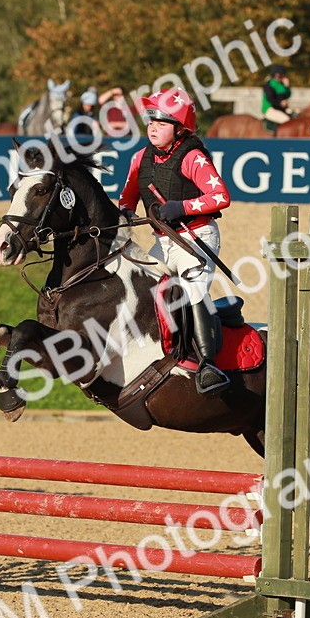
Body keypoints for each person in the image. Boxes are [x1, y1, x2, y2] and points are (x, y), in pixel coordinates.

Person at [117, 88, 232, 395]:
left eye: (162, 122)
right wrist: (126, 211)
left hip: (195, 239)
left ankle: (209, 366)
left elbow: (221, 197)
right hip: (163, 241)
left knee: (192, 292)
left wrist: (181, 207)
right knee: (142, 289)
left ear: (180, 128)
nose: (153, 127)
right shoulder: (140, 157)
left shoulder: (192, 157)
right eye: (150, 120)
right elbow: (127, 197)